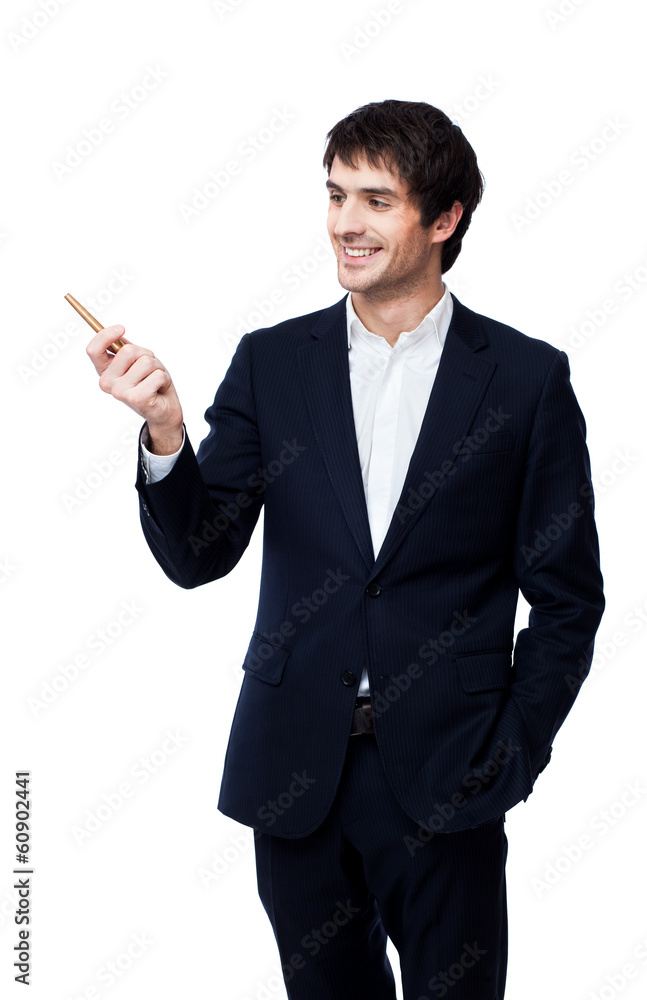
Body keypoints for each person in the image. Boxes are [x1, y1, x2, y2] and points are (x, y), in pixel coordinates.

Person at [86, 99, 605, 1000]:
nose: (344, 224)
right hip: (295, 772)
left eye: (376, 200)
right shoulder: (272, 363)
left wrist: (512, 752)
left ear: (443, 220)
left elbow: (568, 598)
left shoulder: (524, 380)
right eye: (334, 195)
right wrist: (166, 431)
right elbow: (199, 556)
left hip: (450, 773)